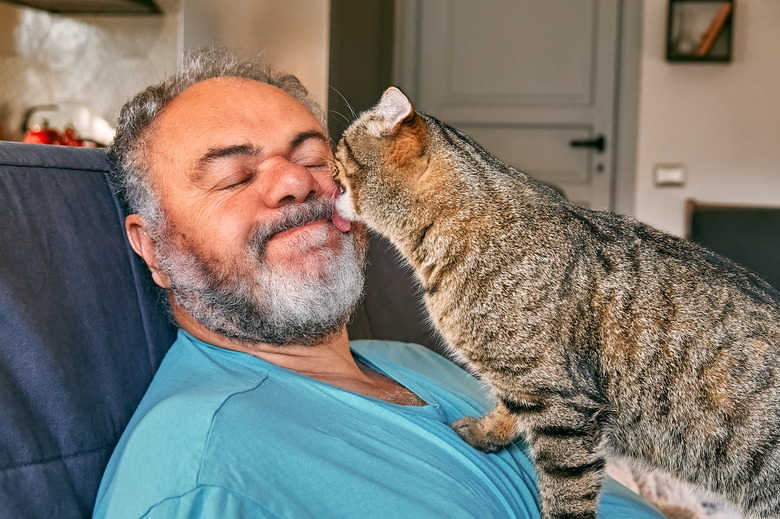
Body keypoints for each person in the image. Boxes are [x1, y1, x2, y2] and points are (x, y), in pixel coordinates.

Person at [93, 48, 664, 518]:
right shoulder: (198, 477)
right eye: (234, 176)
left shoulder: (419, 360)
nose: (298, 181)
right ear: (153, 248)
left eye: (317, 158)